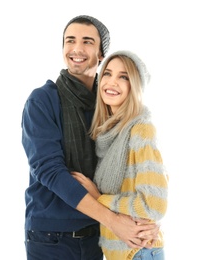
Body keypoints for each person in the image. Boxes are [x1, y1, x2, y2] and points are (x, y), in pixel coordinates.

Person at [21, 15, 160, 260]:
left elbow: (133, 172)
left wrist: (143, 223)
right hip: (52, 238)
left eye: (87, 41)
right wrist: (114, 220)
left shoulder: (109, 102)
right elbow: (50, 171)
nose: (76, 49)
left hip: (98, 238)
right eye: (70, 41)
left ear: (100, 53)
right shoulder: (42, 101)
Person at [72, 50, 169, 260]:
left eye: (123, 77)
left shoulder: (140, 130)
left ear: (134, 86)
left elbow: (154, 204)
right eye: (107, 73)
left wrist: (99, 199)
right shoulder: (108, 135)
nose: (112, 82)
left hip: (138, 252)